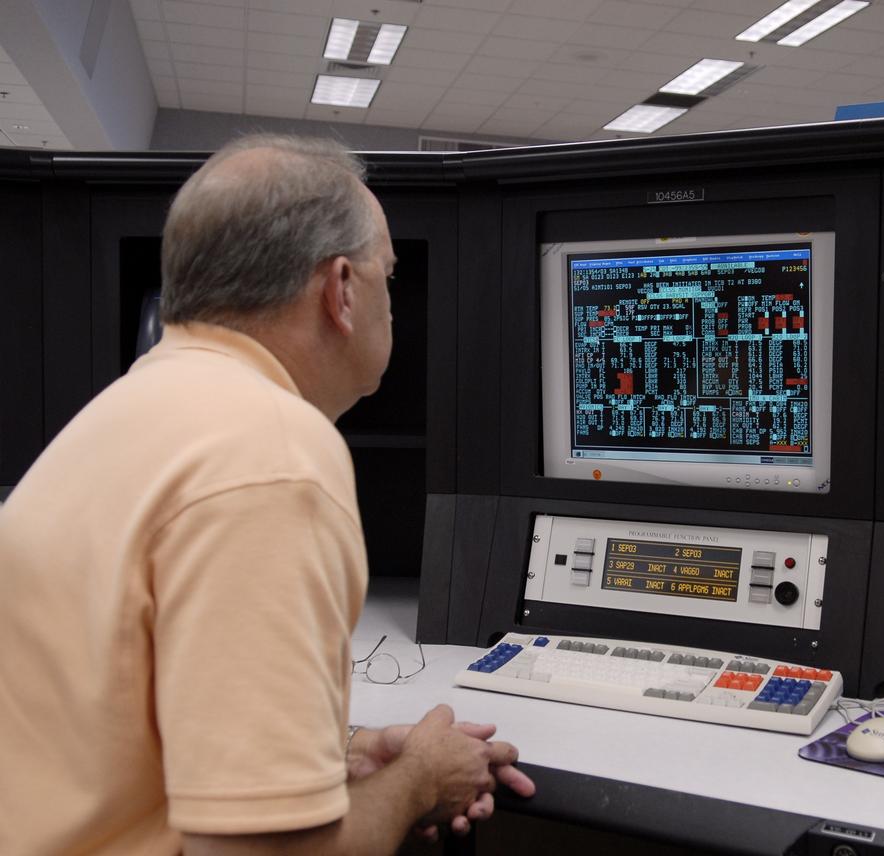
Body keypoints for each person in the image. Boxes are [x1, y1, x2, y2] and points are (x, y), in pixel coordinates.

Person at [0, 134, 533, 855]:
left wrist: (342, 754)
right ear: (340, 289)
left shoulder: (128, 412)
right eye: (388, 277)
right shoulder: (272, 453)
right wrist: (419, 780)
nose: (392, 306)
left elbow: (129, 721)